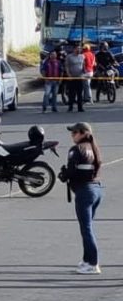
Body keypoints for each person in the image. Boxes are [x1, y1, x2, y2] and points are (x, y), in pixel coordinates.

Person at [61, 121, 103, 274]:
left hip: (85, 192)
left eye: (75, 132)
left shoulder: (76, 149)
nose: (72, 135)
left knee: (86, 229)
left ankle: (93, 263)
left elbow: (71, 171)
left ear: (84, 133)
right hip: (96, 190)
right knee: (88, 227)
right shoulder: (94, 147)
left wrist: (64, 175)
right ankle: (86, 260)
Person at [65, 44, 86, 112]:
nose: (79, 50)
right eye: (77, 48)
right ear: (74, 49)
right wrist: (69, 75)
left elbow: (83, 65)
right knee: (72, 94)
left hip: (80, 77)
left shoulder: (82, 56)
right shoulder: (69, 57)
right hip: (72, 78)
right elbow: (67, 66)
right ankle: (70, 107)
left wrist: (84, 72)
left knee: (80, 93)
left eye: (80, 48)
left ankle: (80, 107)